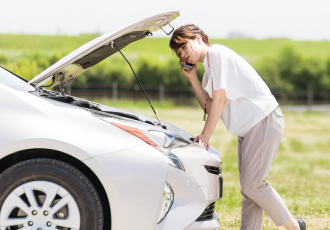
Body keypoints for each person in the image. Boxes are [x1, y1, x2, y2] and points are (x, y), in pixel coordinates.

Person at [169, 24, 307, 230]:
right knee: (250, 190)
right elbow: (208, 105)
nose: (183, 56)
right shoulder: (208, 72)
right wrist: (193, 79)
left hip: (263, 119)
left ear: (198, 38)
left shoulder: (216, 54)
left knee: (254, 185)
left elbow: (220, 99)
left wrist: (206, 135)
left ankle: (294, 227)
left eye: (184, 47)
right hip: (249, 129)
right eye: (179, 54)